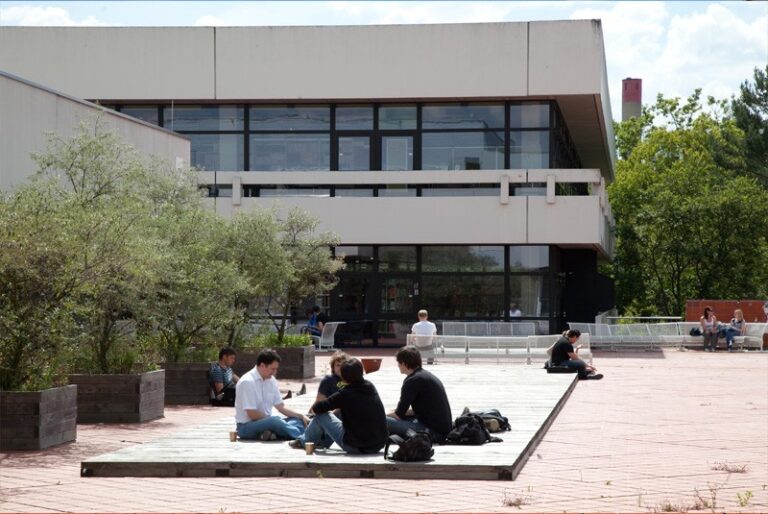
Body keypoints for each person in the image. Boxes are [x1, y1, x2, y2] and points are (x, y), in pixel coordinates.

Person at [289, 358, 388, 454]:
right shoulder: (370, 386)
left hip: (356, 447)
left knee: (322, 417)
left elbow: (317, 408)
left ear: (344, 377)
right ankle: (321, 443)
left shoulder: (345, 393)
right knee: (340, 413)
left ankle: (303, 442)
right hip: (377, 445)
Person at [234, 349, 309, 441]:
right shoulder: (247, 382)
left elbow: (281, 407)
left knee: (297, 420)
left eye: (276, 369)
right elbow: (252, 414)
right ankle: (306, 437)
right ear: (262, 365)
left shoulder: (271, 380)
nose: (275, 372)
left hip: (267, 422)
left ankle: (271, 434)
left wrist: (301, 416)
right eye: (272, 369)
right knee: (275, 421)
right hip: (246, 426)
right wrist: (273, 421)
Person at [386, 346, 453, 443]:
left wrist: (385, 414)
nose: (398, 366)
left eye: (399, 363)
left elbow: (399, 414)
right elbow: (417, 410)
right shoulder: (425, 375)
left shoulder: (412, 381)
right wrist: (393, 411)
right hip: (443, 430)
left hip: (432, 433)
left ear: (404, 363)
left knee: (382, 420)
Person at [315, 351, 351, 415]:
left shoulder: (352, 380)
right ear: (333, 367)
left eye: (343, 365)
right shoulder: (328, 380)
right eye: (338, 365)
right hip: (330, 415)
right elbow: (319, 402)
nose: (340, 368)